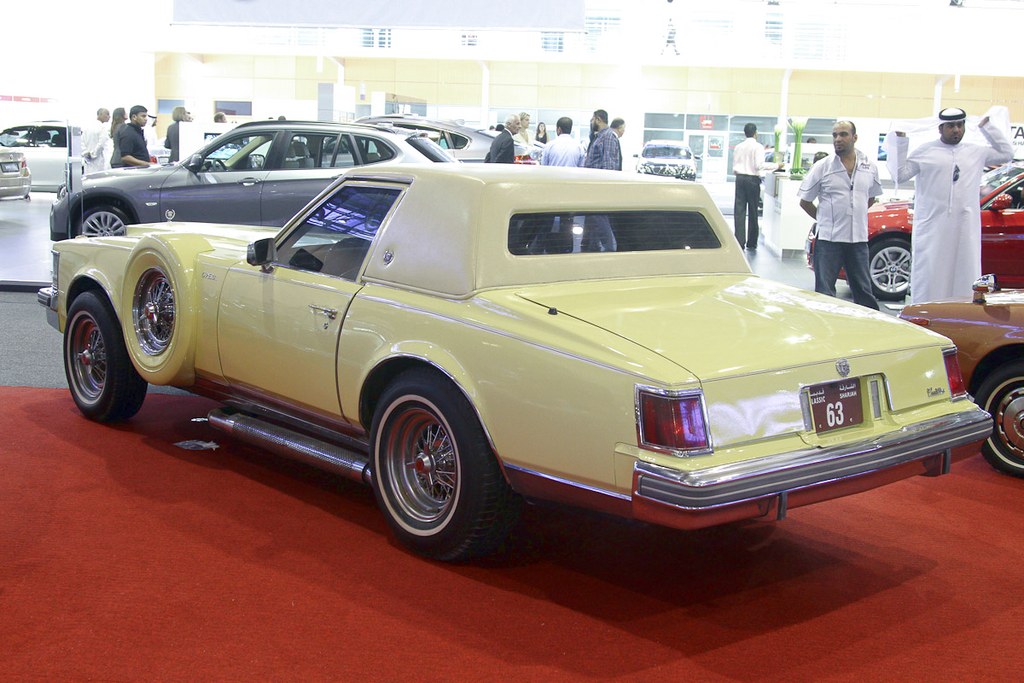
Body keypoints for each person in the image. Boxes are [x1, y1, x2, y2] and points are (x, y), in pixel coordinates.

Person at [890, 107, 1013, 303]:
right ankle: (925, 312)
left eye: (960, 125)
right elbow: (899, 175)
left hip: (965, 227)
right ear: (940, 128)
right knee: (930, 273)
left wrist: (987, 127)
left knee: (964, 271)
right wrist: (899, 142)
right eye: (950, 126)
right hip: (933, 227)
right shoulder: (925, 152)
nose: (956, 129)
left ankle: (961, 313)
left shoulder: (976, 152)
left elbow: (1006, 154)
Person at [798, 121, 882, 310]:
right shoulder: (822, 167)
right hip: (829, 241)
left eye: (843, 134)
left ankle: (870, 325)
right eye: (835, 135)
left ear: (854, 137)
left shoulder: (869, 167)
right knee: (824, 294)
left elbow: (871, 198)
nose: (838, 139)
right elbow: (805, 202)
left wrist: (854, 216)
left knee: (864, 292)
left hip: (858, 240)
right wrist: (825, 219)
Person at [583, 115, 624, 251]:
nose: (591, 122)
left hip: (599, 190)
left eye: (592, 119)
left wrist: (605, 191)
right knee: (594, 222)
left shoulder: (607, 137)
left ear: (598, 119)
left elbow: (609, 167)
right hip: (594, 188)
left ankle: (609, 250)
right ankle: (592, 248)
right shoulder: (599, 136)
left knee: (600, 220)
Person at [732, 122, 774, 250]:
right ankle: (751, 242)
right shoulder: (758, 147)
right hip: (752, 180)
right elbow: (759, 165)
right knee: (753, 211)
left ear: (745, 133)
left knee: (739, 211)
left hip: (739, 179)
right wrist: (777, 165)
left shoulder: (738, 147)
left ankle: (739, 241)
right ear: (755, 133)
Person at [81, 108, 111, 175]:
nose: (109, 116)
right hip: (99, 160)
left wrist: (85, 153)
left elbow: (81, 142)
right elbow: (101, 144)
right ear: (100, 114)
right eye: (107, 114)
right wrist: (93, 154)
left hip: (87, 161)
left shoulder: (87, 127)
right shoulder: (102, 128)